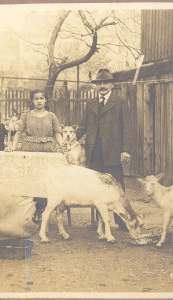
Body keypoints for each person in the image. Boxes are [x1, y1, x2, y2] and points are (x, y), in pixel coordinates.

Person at [76, 68, 133, 231]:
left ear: (112, 84)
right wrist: (71, 140)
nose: (102, 86)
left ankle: (123, 222)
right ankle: (100, 223)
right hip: (94, 153)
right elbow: (82, 126)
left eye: (106, 83)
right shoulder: (91, 104)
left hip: (113, 152)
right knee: (97, 188)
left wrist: (126, 149)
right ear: (96, 86)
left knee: (117, 186)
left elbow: (127, 128)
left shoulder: (120, 102)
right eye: (99, 83)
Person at [8, 88, 65, 222]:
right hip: (29, 153)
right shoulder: (26, 115)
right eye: (36, 98)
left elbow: (57, 133)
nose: (39, 101)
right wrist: (13, 147)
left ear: (45, 100)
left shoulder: (51, 116)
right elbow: (18, 132)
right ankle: (34, 211)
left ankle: (43, 211)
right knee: (31, 182)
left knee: (46, 183)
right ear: (32, 101)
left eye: (41, 98)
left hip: (48, 153)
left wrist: (62, 146)